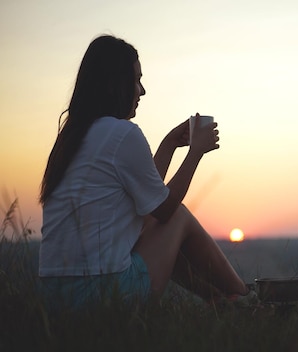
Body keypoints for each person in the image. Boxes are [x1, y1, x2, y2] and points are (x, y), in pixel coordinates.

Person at [38, 35, 255, 310]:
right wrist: (195, 152)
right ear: (115, 84)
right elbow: (163, 209)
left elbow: (146, 196)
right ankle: (248, 298)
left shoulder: (71, 138)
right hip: (102, 294)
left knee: (150, 224)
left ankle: (223, 301)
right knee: (177, 216)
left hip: (53, 297)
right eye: (136, 80)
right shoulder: (122, 133)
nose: (141, 91)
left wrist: (168, 145)